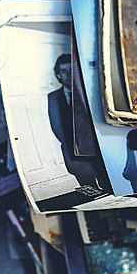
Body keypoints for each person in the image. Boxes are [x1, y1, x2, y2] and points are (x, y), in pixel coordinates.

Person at [46, 53, 106, 192]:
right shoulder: (54, 98)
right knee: (90, 189)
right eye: (63, 71)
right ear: (59, 75)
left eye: (70, 70)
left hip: (97, 149)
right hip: (74, 152)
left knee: (107, 185)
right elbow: (57, 127)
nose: (68, 75)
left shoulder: (87, 90)